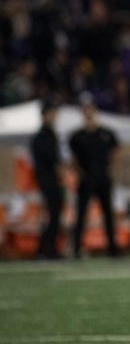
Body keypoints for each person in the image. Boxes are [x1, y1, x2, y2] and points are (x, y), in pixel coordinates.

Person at [69, 95, 120, 258]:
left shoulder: (106, 133)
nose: (89, 113)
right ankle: (76, 248)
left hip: (103, 177)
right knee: (81, 214)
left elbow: (115, 153)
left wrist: (108, 169)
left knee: (108, 214)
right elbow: (73, 158)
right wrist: (81, 173)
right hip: (86, 178)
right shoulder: (77, 136)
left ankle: (112, 248)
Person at [30, 101, 65, 260]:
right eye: (52, 113)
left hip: (51, 180)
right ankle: (46, 250)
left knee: (54, 216)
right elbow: (50, 160)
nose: (54, 117)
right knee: (52, 215)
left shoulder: (50, 134)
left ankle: (48, 249)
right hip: (48, 181)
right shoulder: (43, 136)